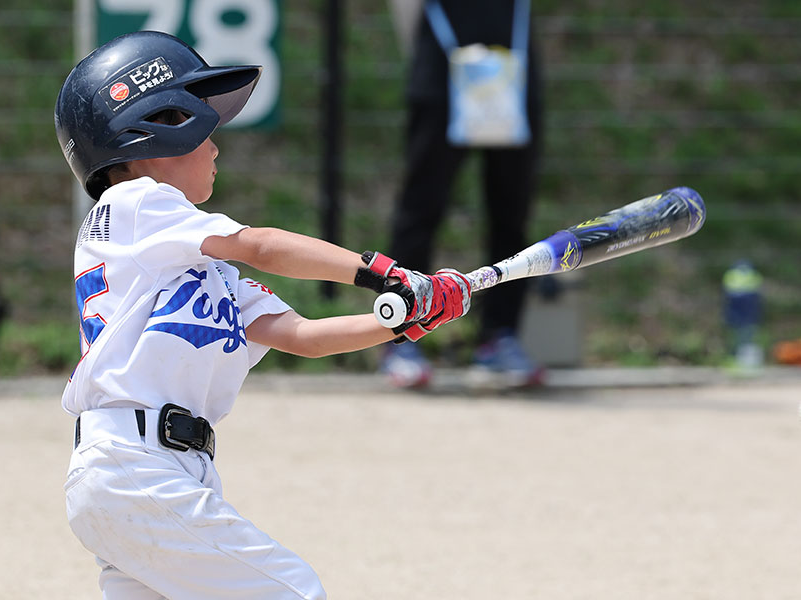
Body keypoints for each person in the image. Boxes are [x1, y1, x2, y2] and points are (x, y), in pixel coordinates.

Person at [54, 30, 471, 599]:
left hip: (150, 472)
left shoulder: (194, 266)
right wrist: (382, 272)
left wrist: (404, 316)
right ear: (154, 129)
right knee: (293, 591)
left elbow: (301, 336)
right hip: (134, 464)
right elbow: (261, 244)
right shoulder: (135, 204)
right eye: (203, 132)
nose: (216, 148)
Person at [382, 0, 545, 388]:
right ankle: (401, 334)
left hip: (513, 64)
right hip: (441, 66)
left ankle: (500, 336)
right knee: (422, 206)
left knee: (512, 210)